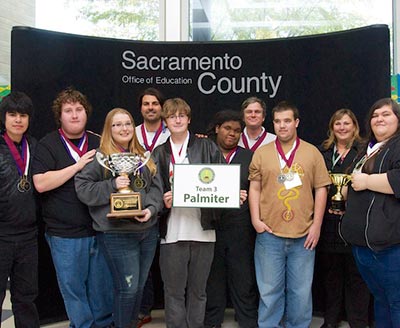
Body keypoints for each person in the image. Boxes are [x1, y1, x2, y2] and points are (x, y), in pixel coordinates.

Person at [32, 87, 113, 328]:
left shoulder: (100, 142)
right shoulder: (48, 144)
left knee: (102, 289)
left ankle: (103, 324)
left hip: (100, 229)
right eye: (68, 110)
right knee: (74, 290)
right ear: (60, 116)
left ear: (86, 113)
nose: (74, 115)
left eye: (79, 110)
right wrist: (77, 166)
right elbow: (41, 183)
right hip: (64, 234)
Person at [75, 107, 164, 328]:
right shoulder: (100, 158)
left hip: (147, 231)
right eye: (117, 124)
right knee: (128, 289)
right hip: (116, 233)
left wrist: (151, 210)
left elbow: (156, 189)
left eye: (127, 123)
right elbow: (83, 188)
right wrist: (112, 185)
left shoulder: (143, 156)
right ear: (109, 129)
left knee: (140, 288)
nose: (123, 128)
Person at [248, 100, 331, 328]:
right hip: (269, 234)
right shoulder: (262, 153)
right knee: (269, 291)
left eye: (287, 121)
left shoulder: (312, 153)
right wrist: (256, 220)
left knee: (301, 293)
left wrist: (316, 226)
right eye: (277, 121)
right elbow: (254, 187)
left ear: (296, 122)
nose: (282, 126)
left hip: (303, 235)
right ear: (272, 123)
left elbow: (321, 189)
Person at [151, 98, 223, 328]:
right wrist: (163, 199)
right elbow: (152, 191)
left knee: (198, 291)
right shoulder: (159, 153)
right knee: (173, 292)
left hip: (203, 230)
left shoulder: (207, 146)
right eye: (172, 116)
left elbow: (221, 181)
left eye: (182, 115)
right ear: (165, 122)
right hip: (172, 231)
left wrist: (232, 193)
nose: (178, 119)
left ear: (189, 119)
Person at [340, 98, 400, 328]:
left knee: (396, 302)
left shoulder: (397, 145)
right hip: (363, 246)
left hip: (389, 247)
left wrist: (367, 181)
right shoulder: (366, 150)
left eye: (386, 114)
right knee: (381, 300)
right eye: (375, 115)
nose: (379, 119)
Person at [204, 110, 258, 328]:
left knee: (243, 279)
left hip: (240, 228)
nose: (232, 134)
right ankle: (211, 323)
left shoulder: (249, 156)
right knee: (212, 280)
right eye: (227, 128)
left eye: (237, 130)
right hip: (210, 226)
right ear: (217, 128)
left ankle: (248, 322)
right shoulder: (203, 151)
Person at [317, 109, 370, 328]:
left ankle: (358, 321)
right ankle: (331, 320)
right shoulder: (323, 151)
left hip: (355, 220)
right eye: (337, 124)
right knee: (331, 276)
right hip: (328, 221)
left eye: (346, 123)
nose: (342, 128)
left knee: (357, 276)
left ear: (355, 126)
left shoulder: (365, 151)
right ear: (332, 127)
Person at [0, 91, 40, 327]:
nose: (18, 120)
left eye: (23, 115)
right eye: (12, 114)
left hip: (28, 236)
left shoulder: (34, 146)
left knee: (26, 297)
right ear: (4, 118)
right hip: (1, 235)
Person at [135, 87, 169, 327]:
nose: (150, 107)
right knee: (143, 263)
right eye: (146, 104)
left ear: (162, 108)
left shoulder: (174, 131)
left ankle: (174, 307)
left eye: (155, 104)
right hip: (141, 204)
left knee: (169, 261)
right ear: (141, 108)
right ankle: (143, 309)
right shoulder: (131, 133)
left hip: (170, 202)